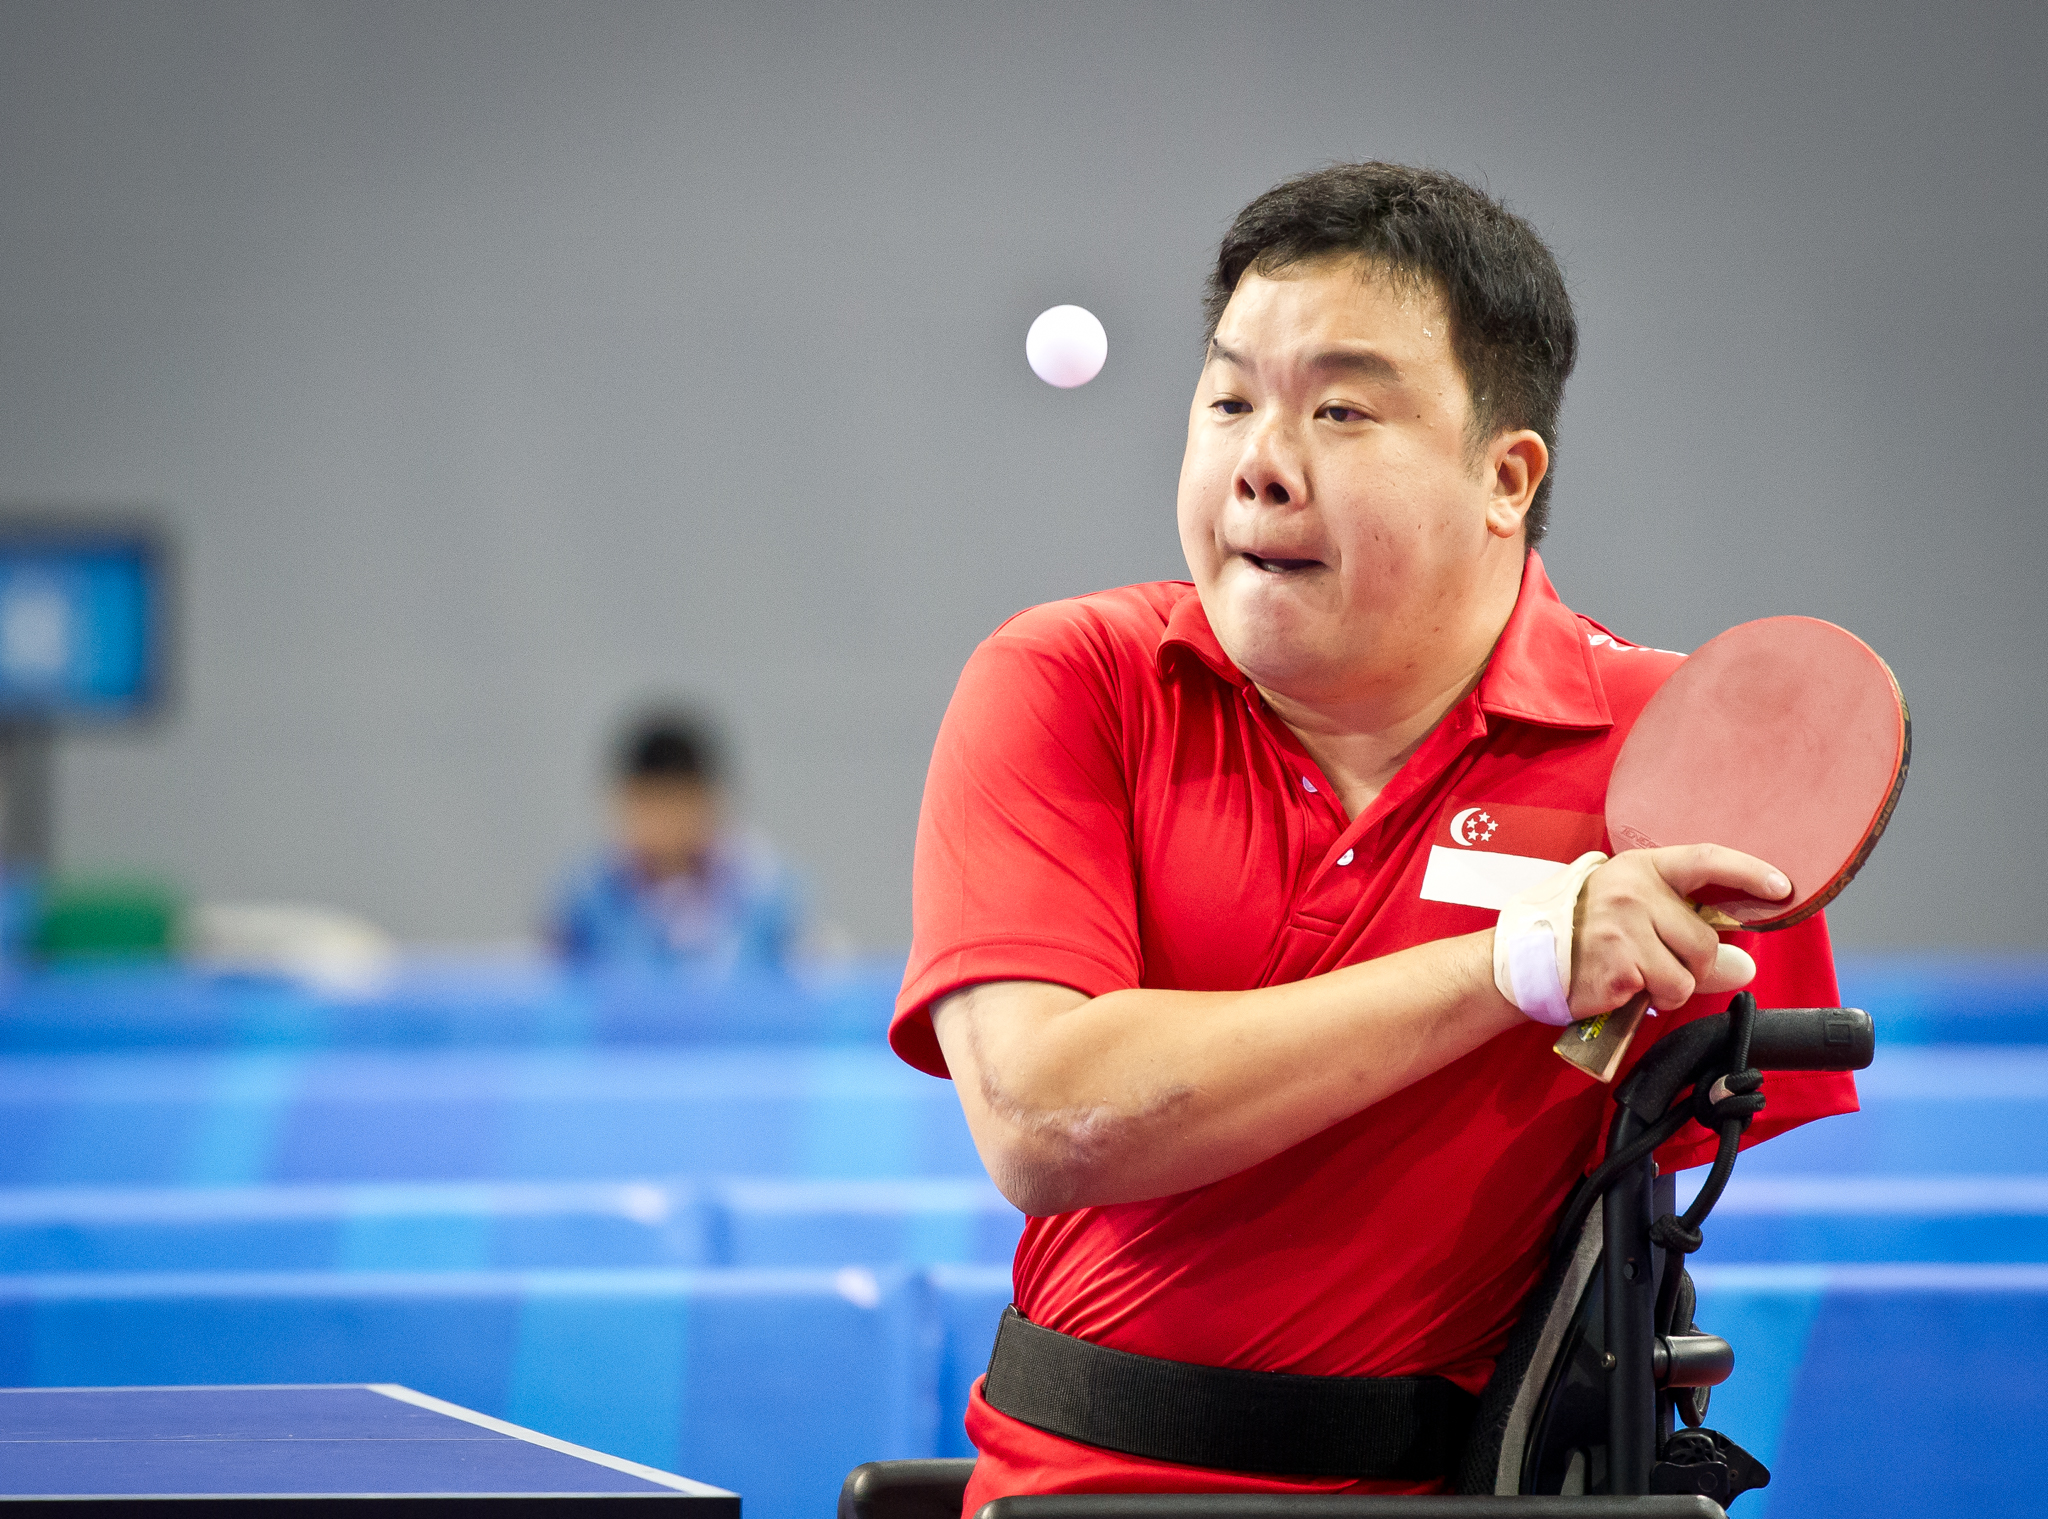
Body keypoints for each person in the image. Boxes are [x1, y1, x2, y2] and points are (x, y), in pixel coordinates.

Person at [890, 163, 1858, 1506]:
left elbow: (1654, 1177)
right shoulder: (1069, 679)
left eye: (1339, 410)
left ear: (1506, 476)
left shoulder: (1682, 753)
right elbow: (1047, 1115)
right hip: (1078, 1483)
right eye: (1228, 399)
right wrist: (1510, 965)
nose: (1259, 465)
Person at [547, 708, 802, 971]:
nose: (666, 823)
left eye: (678, 804)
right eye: (652, 804)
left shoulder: (762, 890)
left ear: (708, 800)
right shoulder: (588, 896)